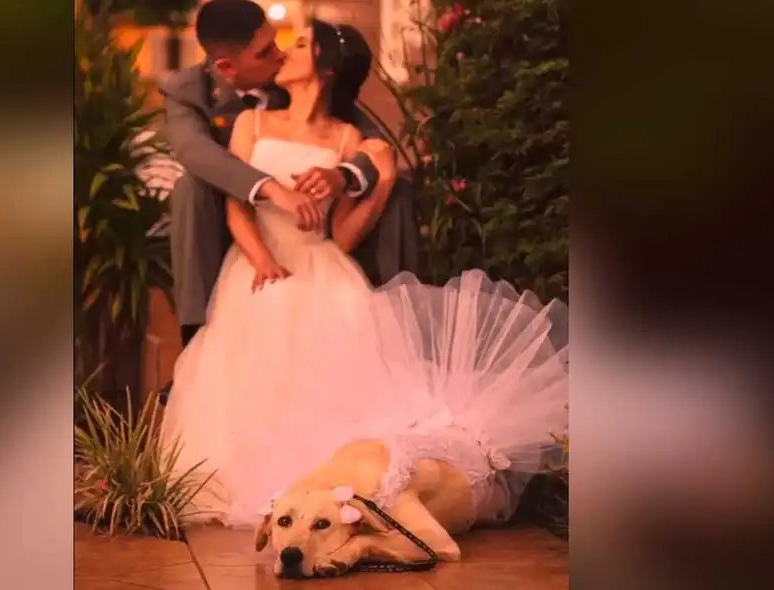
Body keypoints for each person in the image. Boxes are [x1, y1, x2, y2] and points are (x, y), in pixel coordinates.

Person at [159, 17, 569, 528]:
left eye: (300, 44)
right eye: (279, 46)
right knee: (260, 332)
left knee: (344, 330)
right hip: (258, 258)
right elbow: (234, 203)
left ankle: (339, 478)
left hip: (320, 260)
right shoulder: (252, 123)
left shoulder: (349, 133)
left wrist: (377, 180)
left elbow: (345, 236)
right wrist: (262, 259)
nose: (286, 52)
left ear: (326, 70)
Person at [158, 0, 420, 363]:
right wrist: (272, 189)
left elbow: (375, 146)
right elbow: (197, 153)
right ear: (227, 67)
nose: (280, 55)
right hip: (230, 218)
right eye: (266, 51)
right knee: (190, 188)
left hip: (313, 244)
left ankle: (404, 322)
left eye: (282, 42)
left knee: (396, 193)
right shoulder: (190, 91)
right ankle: (192, 345)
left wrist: (343, 176)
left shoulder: (295, 85)